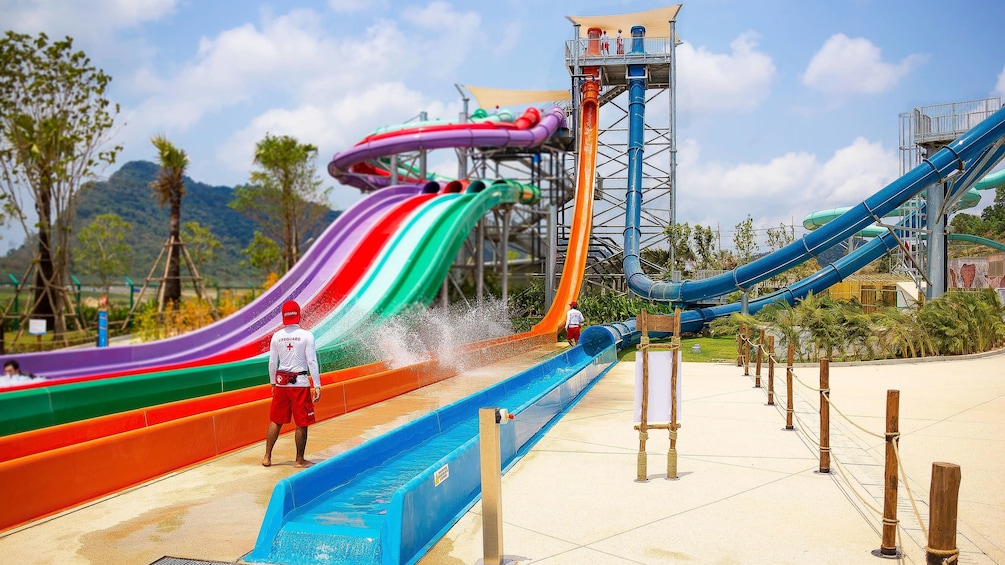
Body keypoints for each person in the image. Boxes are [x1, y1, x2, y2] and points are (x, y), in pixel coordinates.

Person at [262, 300, 322, 468]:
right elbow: (311, 361)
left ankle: (267, 457)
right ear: (298, 315)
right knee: (302, 423)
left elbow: (272, 362)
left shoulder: (276, 336)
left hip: (281, 383)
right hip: (300, 383)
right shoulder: (306, 335)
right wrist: (317, 384)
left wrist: (273, 382)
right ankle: (299, 459)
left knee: (276, 420)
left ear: (283, 317)